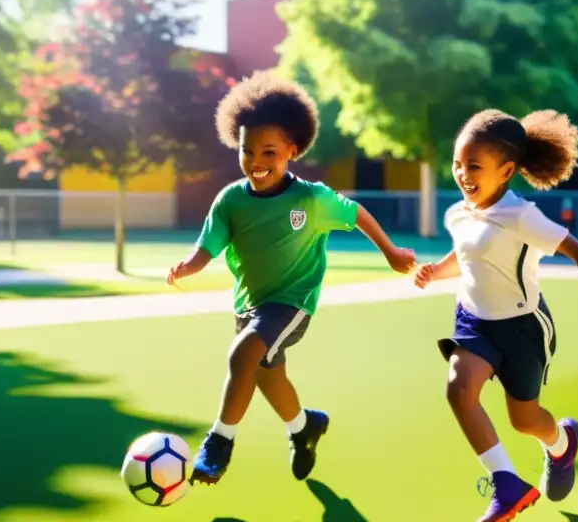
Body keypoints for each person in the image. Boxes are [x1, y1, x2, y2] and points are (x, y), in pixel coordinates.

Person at [167, 71, 416, 485]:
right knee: (267, 374)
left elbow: (356, 214)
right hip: (249, 304)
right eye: (247, 151)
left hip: (292, 303)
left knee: (242, 354)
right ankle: (303, 428)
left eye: (269, 152)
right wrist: (187, 266)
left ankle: (219, 442)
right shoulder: (230, 199)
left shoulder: (311, 199)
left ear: (291, 151)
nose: (256, 162)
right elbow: (207, 246)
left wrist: (391, 252)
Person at [413, 109, 578, 522]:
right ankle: (506, 482)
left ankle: (561, 443)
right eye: (458, 163)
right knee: (459, 391)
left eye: (474, 165)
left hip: (522, 328)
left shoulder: (522, 216)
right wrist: (435, 271)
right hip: (473, 322)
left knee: (524, 420)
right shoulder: (459, 213)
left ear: (507, 170)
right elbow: (464, 255)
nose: (462, 173)